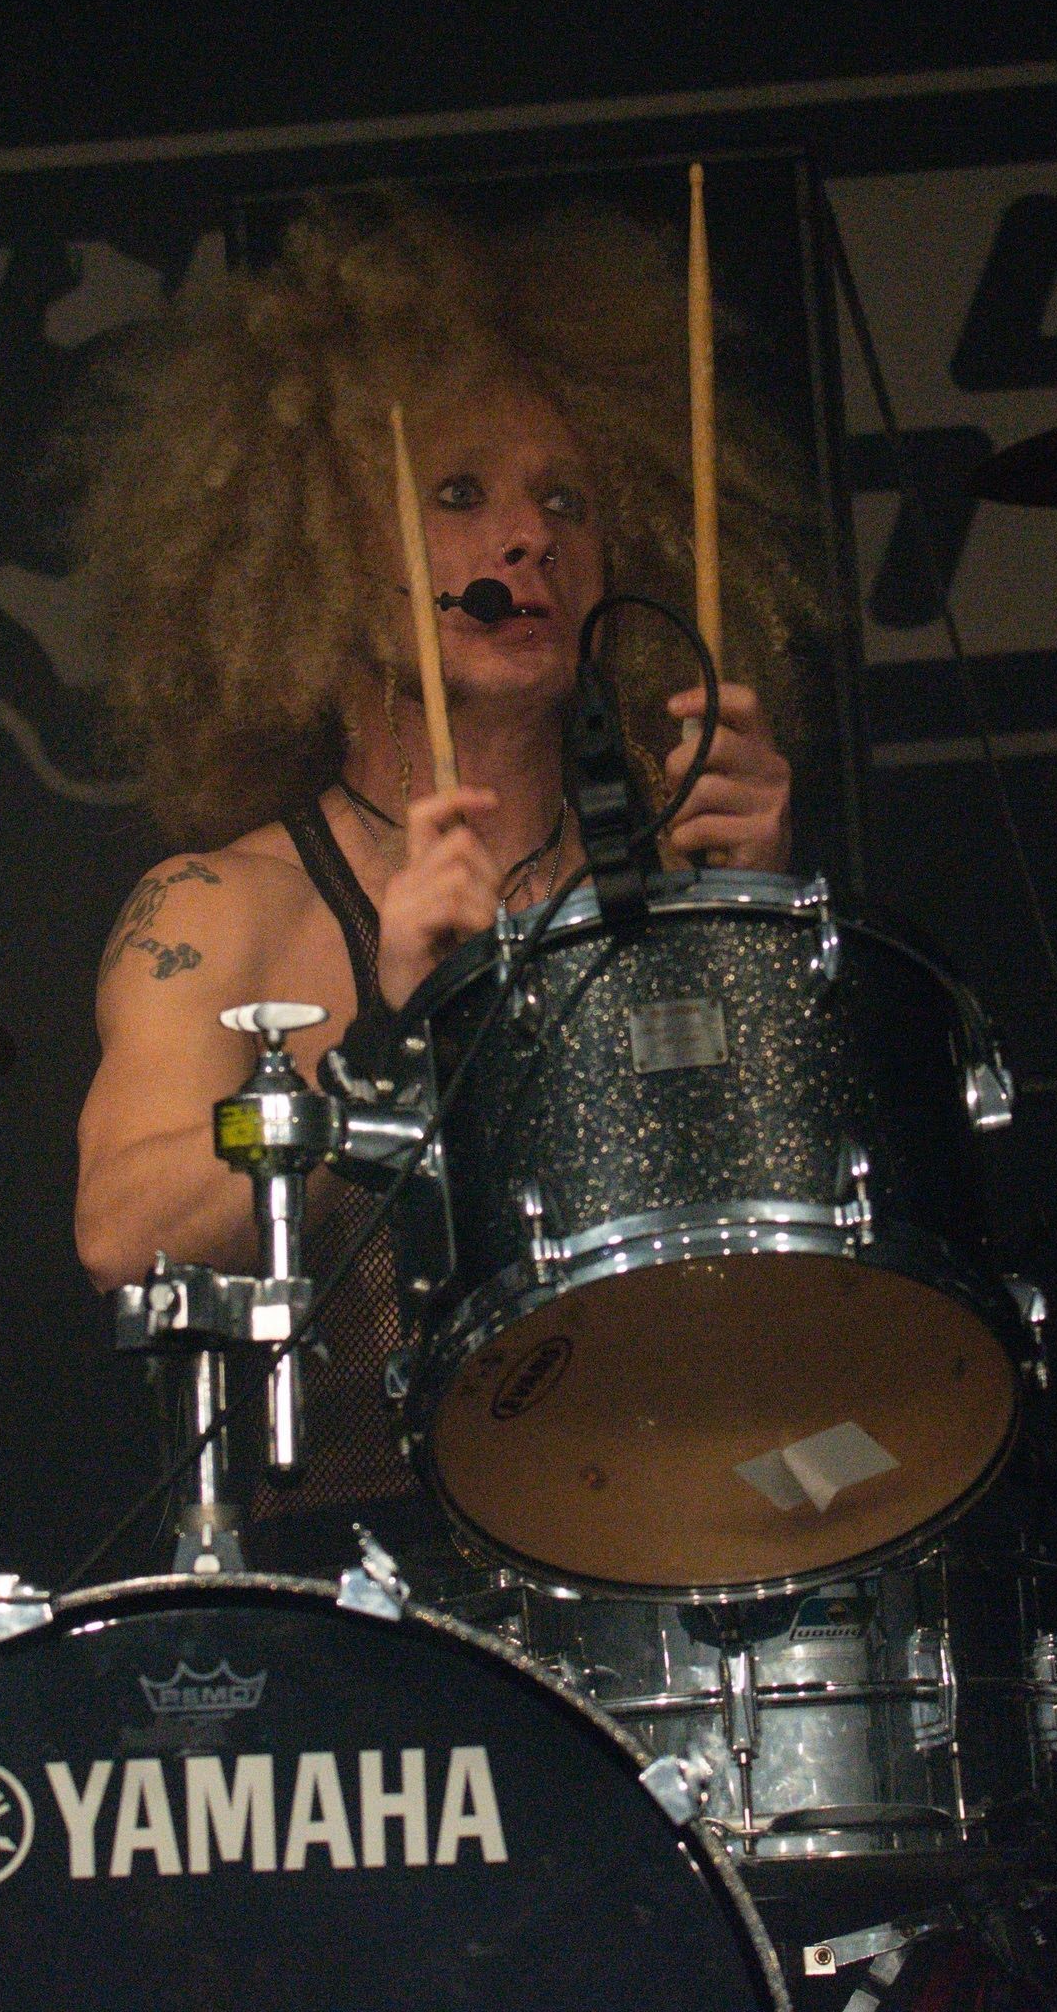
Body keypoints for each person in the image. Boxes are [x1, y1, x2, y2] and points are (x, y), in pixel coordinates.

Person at [70, 192, 825, 1563]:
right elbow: (124, 1231)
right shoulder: (225, 906)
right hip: (362, 1582)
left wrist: (748, 935)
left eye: (564, 501)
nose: (527, 540)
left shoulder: (679, 869)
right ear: (321, 555)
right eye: (460, 496)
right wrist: (382, 1054)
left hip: (663, 1548)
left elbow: (809, 1258)